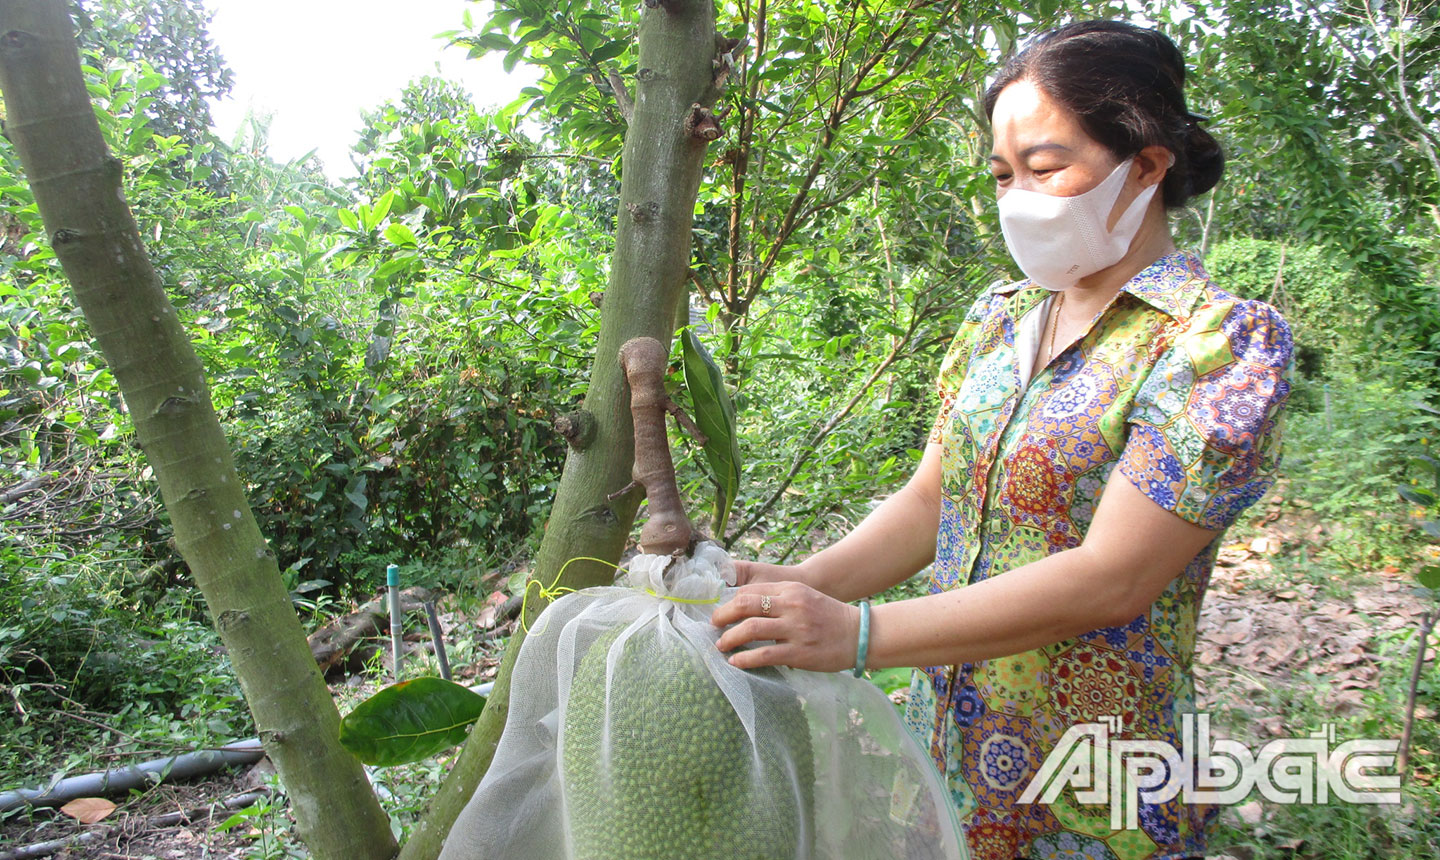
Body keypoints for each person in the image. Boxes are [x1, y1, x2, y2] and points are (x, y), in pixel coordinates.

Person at [710, 20, 1293, 860]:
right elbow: (928, 499)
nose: (1018, 194)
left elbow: (1111, 578)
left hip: (1093, 785)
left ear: (1148, 163)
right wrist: (802, 583)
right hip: (947, 762)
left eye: (1046, 166)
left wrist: (860, 635)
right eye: (1002, 174)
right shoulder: (1002, 317)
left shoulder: (1217, 346)